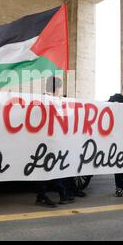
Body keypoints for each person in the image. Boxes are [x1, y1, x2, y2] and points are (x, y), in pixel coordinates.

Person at [35, 76, 75, 208]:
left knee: (47, 168)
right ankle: (62, 193)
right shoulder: (54, 101)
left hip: (45, 140)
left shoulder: (41, 99)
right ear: (57, 87)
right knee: (53, 168)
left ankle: (44, 196)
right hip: (51, 140)